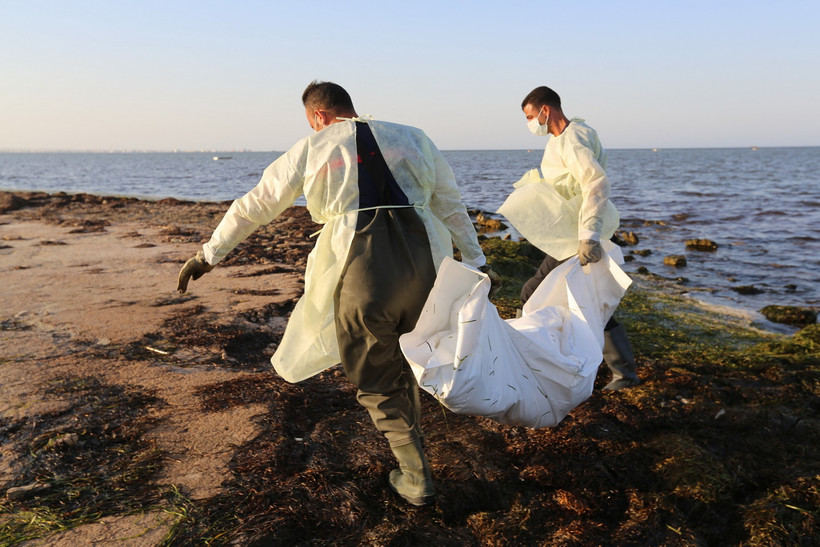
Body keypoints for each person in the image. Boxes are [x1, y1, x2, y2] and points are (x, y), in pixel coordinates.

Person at [176, 81, 500, 506]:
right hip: (427, 264)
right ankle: (413, 449)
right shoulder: (412, 136)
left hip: (362, 267)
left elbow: (256, 204)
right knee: (409, 358)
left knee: (375, 375)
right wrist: (476, 259)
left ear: (317, 117)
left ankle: (415, 476)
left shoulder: (313, 147)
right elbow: (450, 202)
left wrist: (208, 254)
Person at [518, 85, 639, 390]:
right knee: (586, 301)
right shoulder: (565, 137)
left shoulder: (572, 140)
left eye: (531, 116)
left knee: (532, 294)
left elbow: (595, 184)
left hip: (578, 236)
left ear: (546, 110)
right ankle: (621, 373)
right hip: (569, 233)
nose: (530, 124)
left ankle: (527, 360)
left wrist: (589, 236)